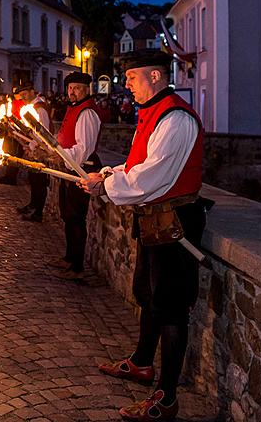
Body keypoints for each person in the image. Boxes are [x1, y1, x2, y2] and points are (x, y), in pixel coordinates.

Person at [79, 50, 209, 421]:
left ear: (154, 77)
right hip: (155, 223)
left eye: (132, 78)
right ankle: (141, 363)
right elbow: (136, 163)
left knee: (171, 308)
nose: (127, 85)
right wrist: (106, 175)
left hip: (175, 225)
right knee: (148, 294)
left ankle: (166, 398)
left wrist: (106, 186)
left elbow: (150, 177)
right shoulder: (152, 114)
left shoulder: (176, 119)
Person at [46, 72, 101, 281]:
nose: (72, 92)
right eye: (69, 88)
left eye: (77, 88)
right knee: (67, 215)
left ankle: (77, 266)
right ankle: (69, 258)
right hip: (69, 167)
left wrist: (58, 154)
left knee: (76, 217)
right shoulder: (74, 108)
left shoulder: (87, 112)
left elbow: (83, 148)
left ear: (87, 89)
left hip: (81, 168)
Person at [19, 94, 52, 222]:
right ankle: (33, 205)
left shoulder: (40, 110)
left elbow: (43, 132)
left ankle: (38, 211)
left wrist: (32, 145)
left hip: (41, 151)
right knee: (33, 179)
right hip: (34, 148)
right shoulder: (31, 108)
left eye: (24, 94)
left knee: (39, 181)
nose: (23, 98)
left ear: (31, 92)